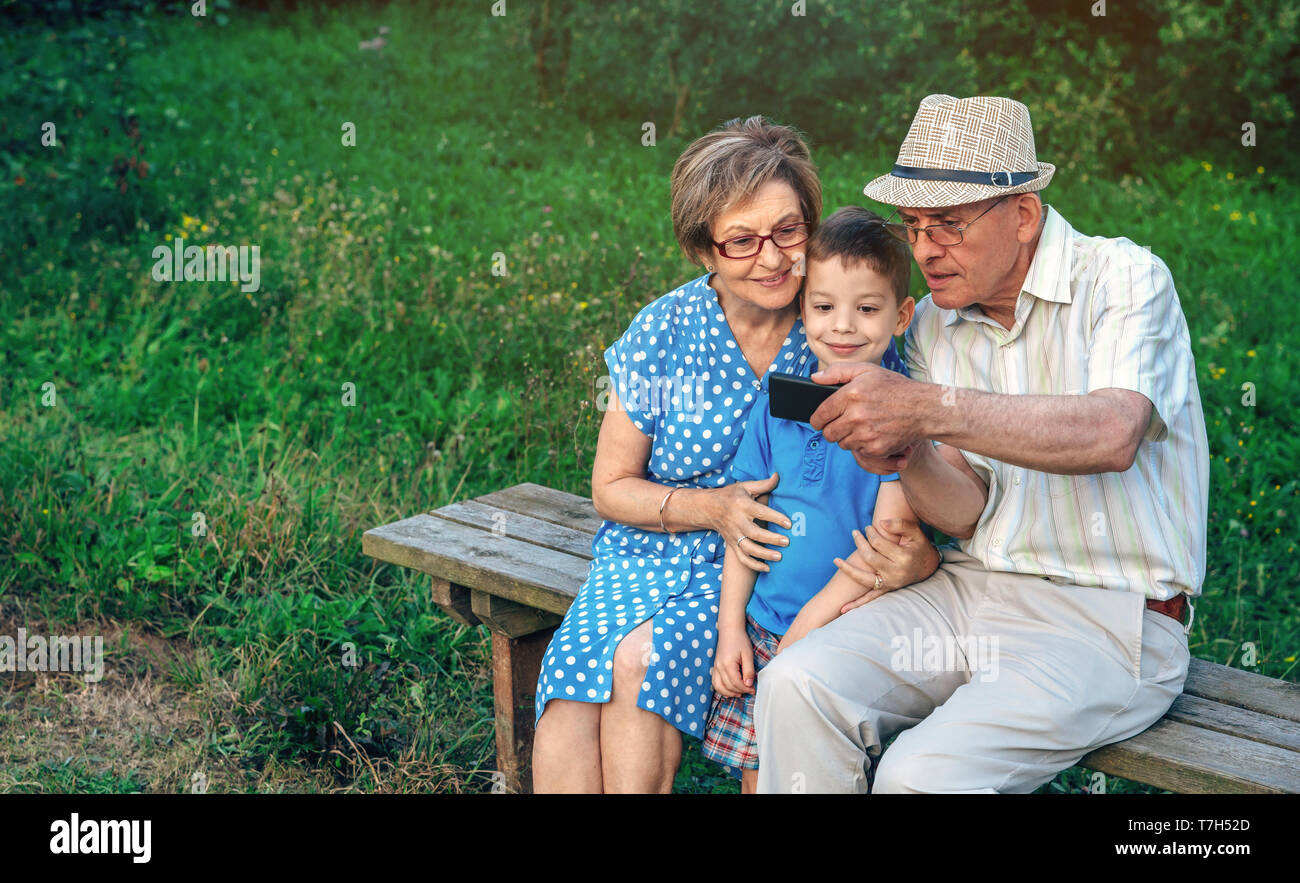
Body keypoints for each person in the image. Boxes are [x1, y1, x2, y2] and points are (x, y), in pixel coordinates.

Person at [755, 94, 1209, 794]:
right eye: (912, 225)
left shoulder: (1124, 279)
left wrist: (926, 406)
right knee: (796, 683)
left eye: (948, 224)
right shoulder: (937, 323)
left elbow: (1113, 431)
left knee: (917, 777)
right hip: (969, 589)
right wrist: (907, 454)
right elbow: (965, 511)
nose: (925, 248)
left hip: (1111, 618)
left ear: (1023, 215)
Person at [530, 116, 940, 793]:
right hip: (652, 547)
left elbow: (904, 472)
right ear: (703, 250)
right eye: (743, 241)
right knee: (575, 691)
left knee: (641, 658)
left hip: (762, 575)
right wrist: (711, 508)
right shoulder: (662, 331)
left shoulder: (840, 321)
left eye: (788, 231)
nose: (773, 257)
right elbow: (610, 486)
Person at [703, 206, 922, 793]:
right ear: (803, 311)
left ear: (901, 316)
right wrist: (731, 631)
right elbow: (745, 529)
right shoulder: (777, 409)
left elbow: (883, 548)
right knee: (760, 775)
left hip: (844, 631)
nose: (843, 326)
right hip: (765, 625)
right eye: (824, 307)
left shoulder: (898, 422)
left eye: (867, 309)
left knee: (823, 771)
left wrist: (805, 631)